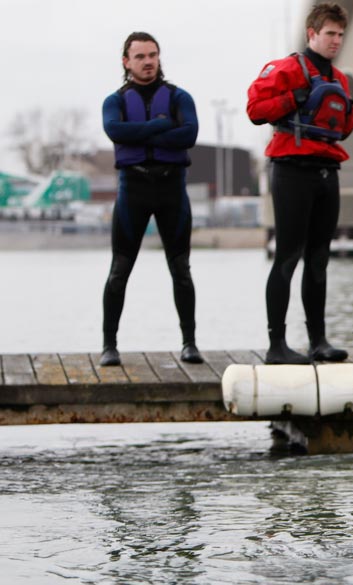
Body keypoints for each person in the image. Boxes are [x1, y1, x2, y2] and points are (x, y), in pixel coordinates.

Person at [246, 2, 353, 364]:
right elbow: (255, 110)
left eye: (340, 34)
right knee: (288, 256)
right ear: (312, 34)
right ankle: (277, 345)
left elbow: (345, 125)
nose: (336, 41)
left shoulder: (339, 79)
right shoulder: (289, 68)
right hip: (291, 170)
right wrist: (294, 97)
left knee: (319, 258)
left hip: (326, 170)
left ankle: (318, 341)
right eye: (330, 34)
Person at [99, 32, 201, 367]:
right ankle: (109, 346)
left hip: (172, 188)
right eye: (140, 56)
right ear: (126, 61)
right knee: (119, 271)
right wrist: (160, 127)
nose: (148, 62)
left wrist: (141, 131)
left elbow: (189, 134)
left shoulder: (178, 96)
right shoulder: (114, 101)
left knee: (181, 269)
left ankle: (189, 343)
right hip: (134, 188)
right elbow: (116, 131)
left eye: (152, 55)